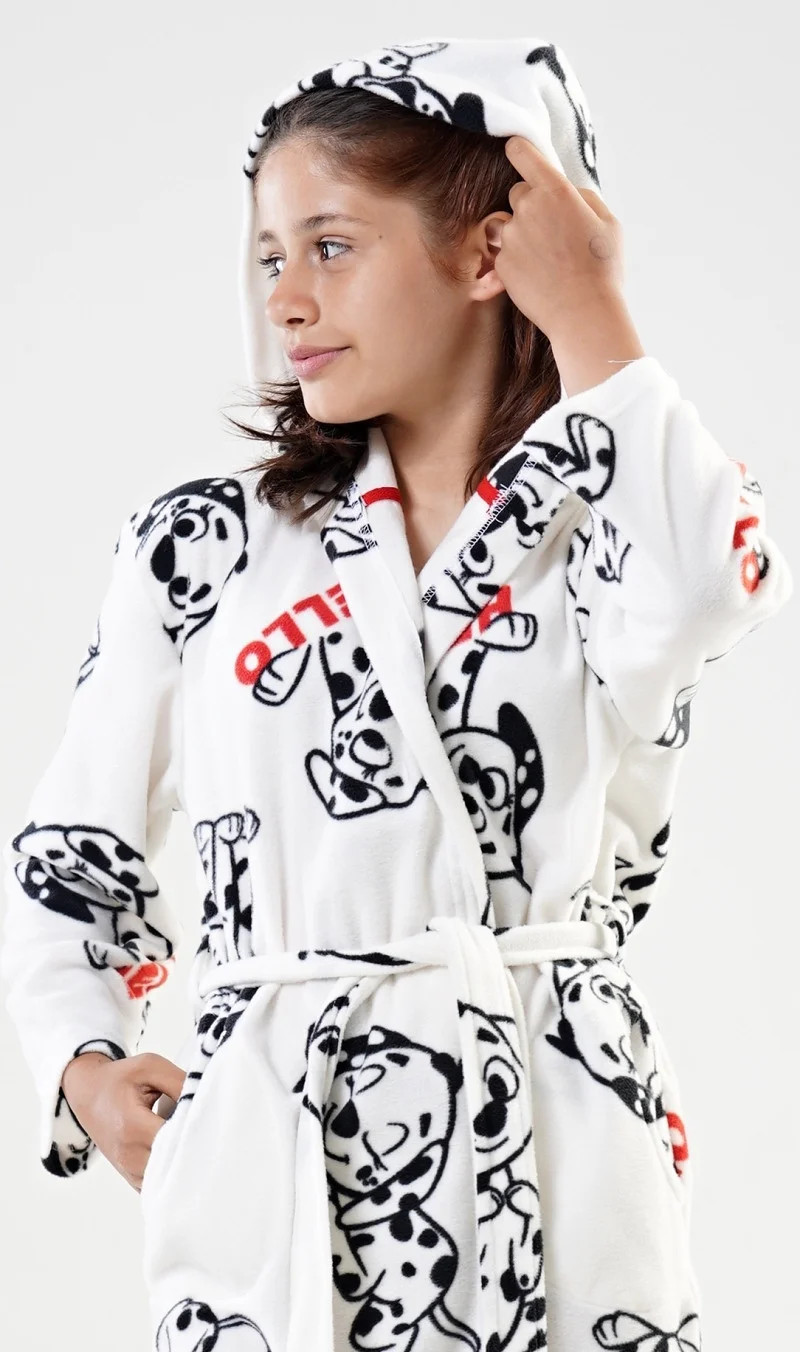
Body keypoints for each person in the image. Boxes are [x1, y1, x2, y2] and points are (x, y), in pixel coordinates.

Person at [1, 34, 793, 1352]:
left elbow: (719, 584)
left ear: (490, 256)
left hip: (556, 1133)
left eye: (331, 246)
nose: (287, 300)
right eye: (269, 257)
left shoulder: (611, 515)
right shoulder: (203, 544)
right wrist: (81, 1060)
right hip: (278, 1155)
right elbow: (72, 847)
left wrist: (590, 308)